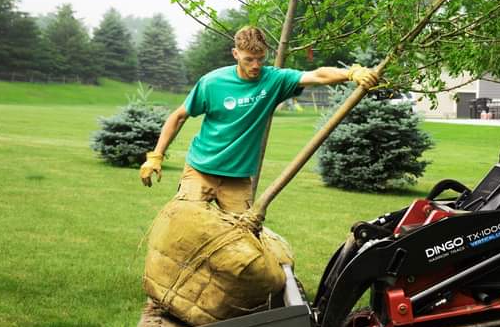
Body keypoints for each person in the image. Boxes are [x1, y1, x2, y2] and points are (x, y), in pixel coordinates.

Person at [138, 26, 378, 213]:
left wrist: (351, 73)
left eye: (260, 59)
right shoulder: (212, 82)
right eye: (248, 59)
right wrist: (156, 156)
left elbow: (316, 75)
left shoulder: (273, 80)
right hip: (200, 170)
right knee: (184, 228)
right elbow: (178, 116)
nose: (255, 66)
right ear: (235, 54)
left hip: (238, 178)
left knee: (242, 241)